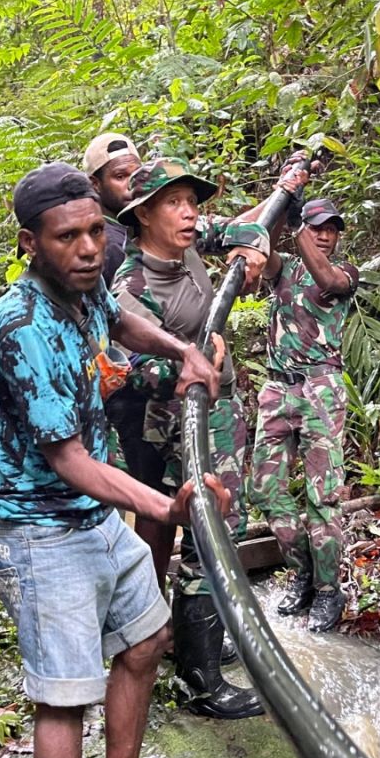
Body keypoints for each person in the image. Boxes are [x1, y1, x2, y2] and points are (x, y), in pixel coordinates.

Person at [0, 162, 231, 758]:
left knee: (146, 641)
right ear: (30, 244)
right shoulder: (23, 329)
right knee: (65, 697)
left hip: (93, 515)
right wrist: (165, 507)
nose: (89, 249)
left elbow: (118, 322)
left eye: (94, 230)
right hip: (39, 526)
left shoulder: (83, 285)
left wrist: (182, 350)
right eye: (68, 237)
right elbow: (67, 460)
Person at [113, 158, 288, 719]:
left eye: (192, 200)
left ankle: (199, 643)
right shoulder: (132, 286)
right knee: (207, 536)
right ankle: (202, 682)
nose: (190, 212)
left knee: (221, 532)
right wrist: (183, 366)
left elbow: (242, 228)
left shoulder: (191, 240)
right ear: (142, 215)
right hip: (178, 429)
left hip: (221, 415)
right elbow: (127, 368)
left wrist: (252, 247)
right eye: (173, 202)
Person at [251, 198, 359, 632]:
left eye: (332, 228)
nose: (325, 235)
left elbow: (325, 274)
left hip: (321, 389)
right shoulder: (284, 271)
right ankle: (304, 570)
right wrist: (283, 202)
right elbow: (263, 245)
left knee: (323, 495)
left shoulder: (344, 275)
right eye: (317, 227)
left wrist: (298, 230)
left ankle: (330, 590)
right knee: (265, 488)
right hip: (278, 387)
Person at [83, 132, 141, 286]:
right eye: (120, 176)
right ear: (95, 184)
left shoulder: (135, 225)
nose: (132, 184)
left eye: (137, 173)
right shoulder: (109, 244)